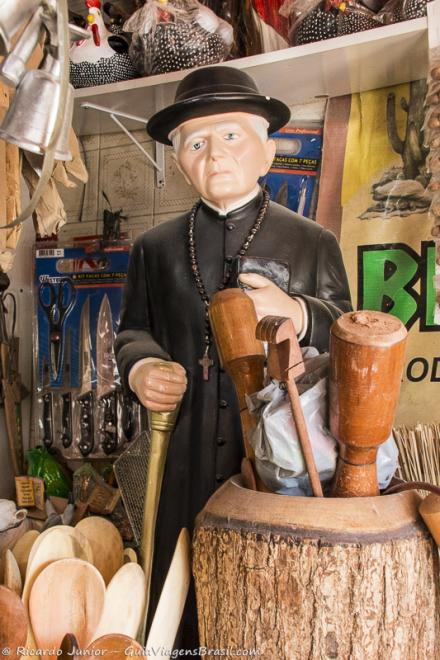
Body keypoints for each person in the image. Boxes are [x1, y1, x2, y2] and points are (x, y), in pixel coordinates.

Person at [114, 65, 352, 649]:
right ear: (179, 160)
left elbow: (348, 330)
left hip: (283, 460)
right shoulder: (154, 248)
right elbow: (132, 331)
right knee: (178, 596)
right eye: (196, 142)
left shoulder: (312, 241)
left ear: (266, 154)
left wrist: (296, 312)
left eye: (230, 137)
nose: (214, 154)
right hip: (183, 452)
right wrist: (142, 367)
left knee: (272, 599)